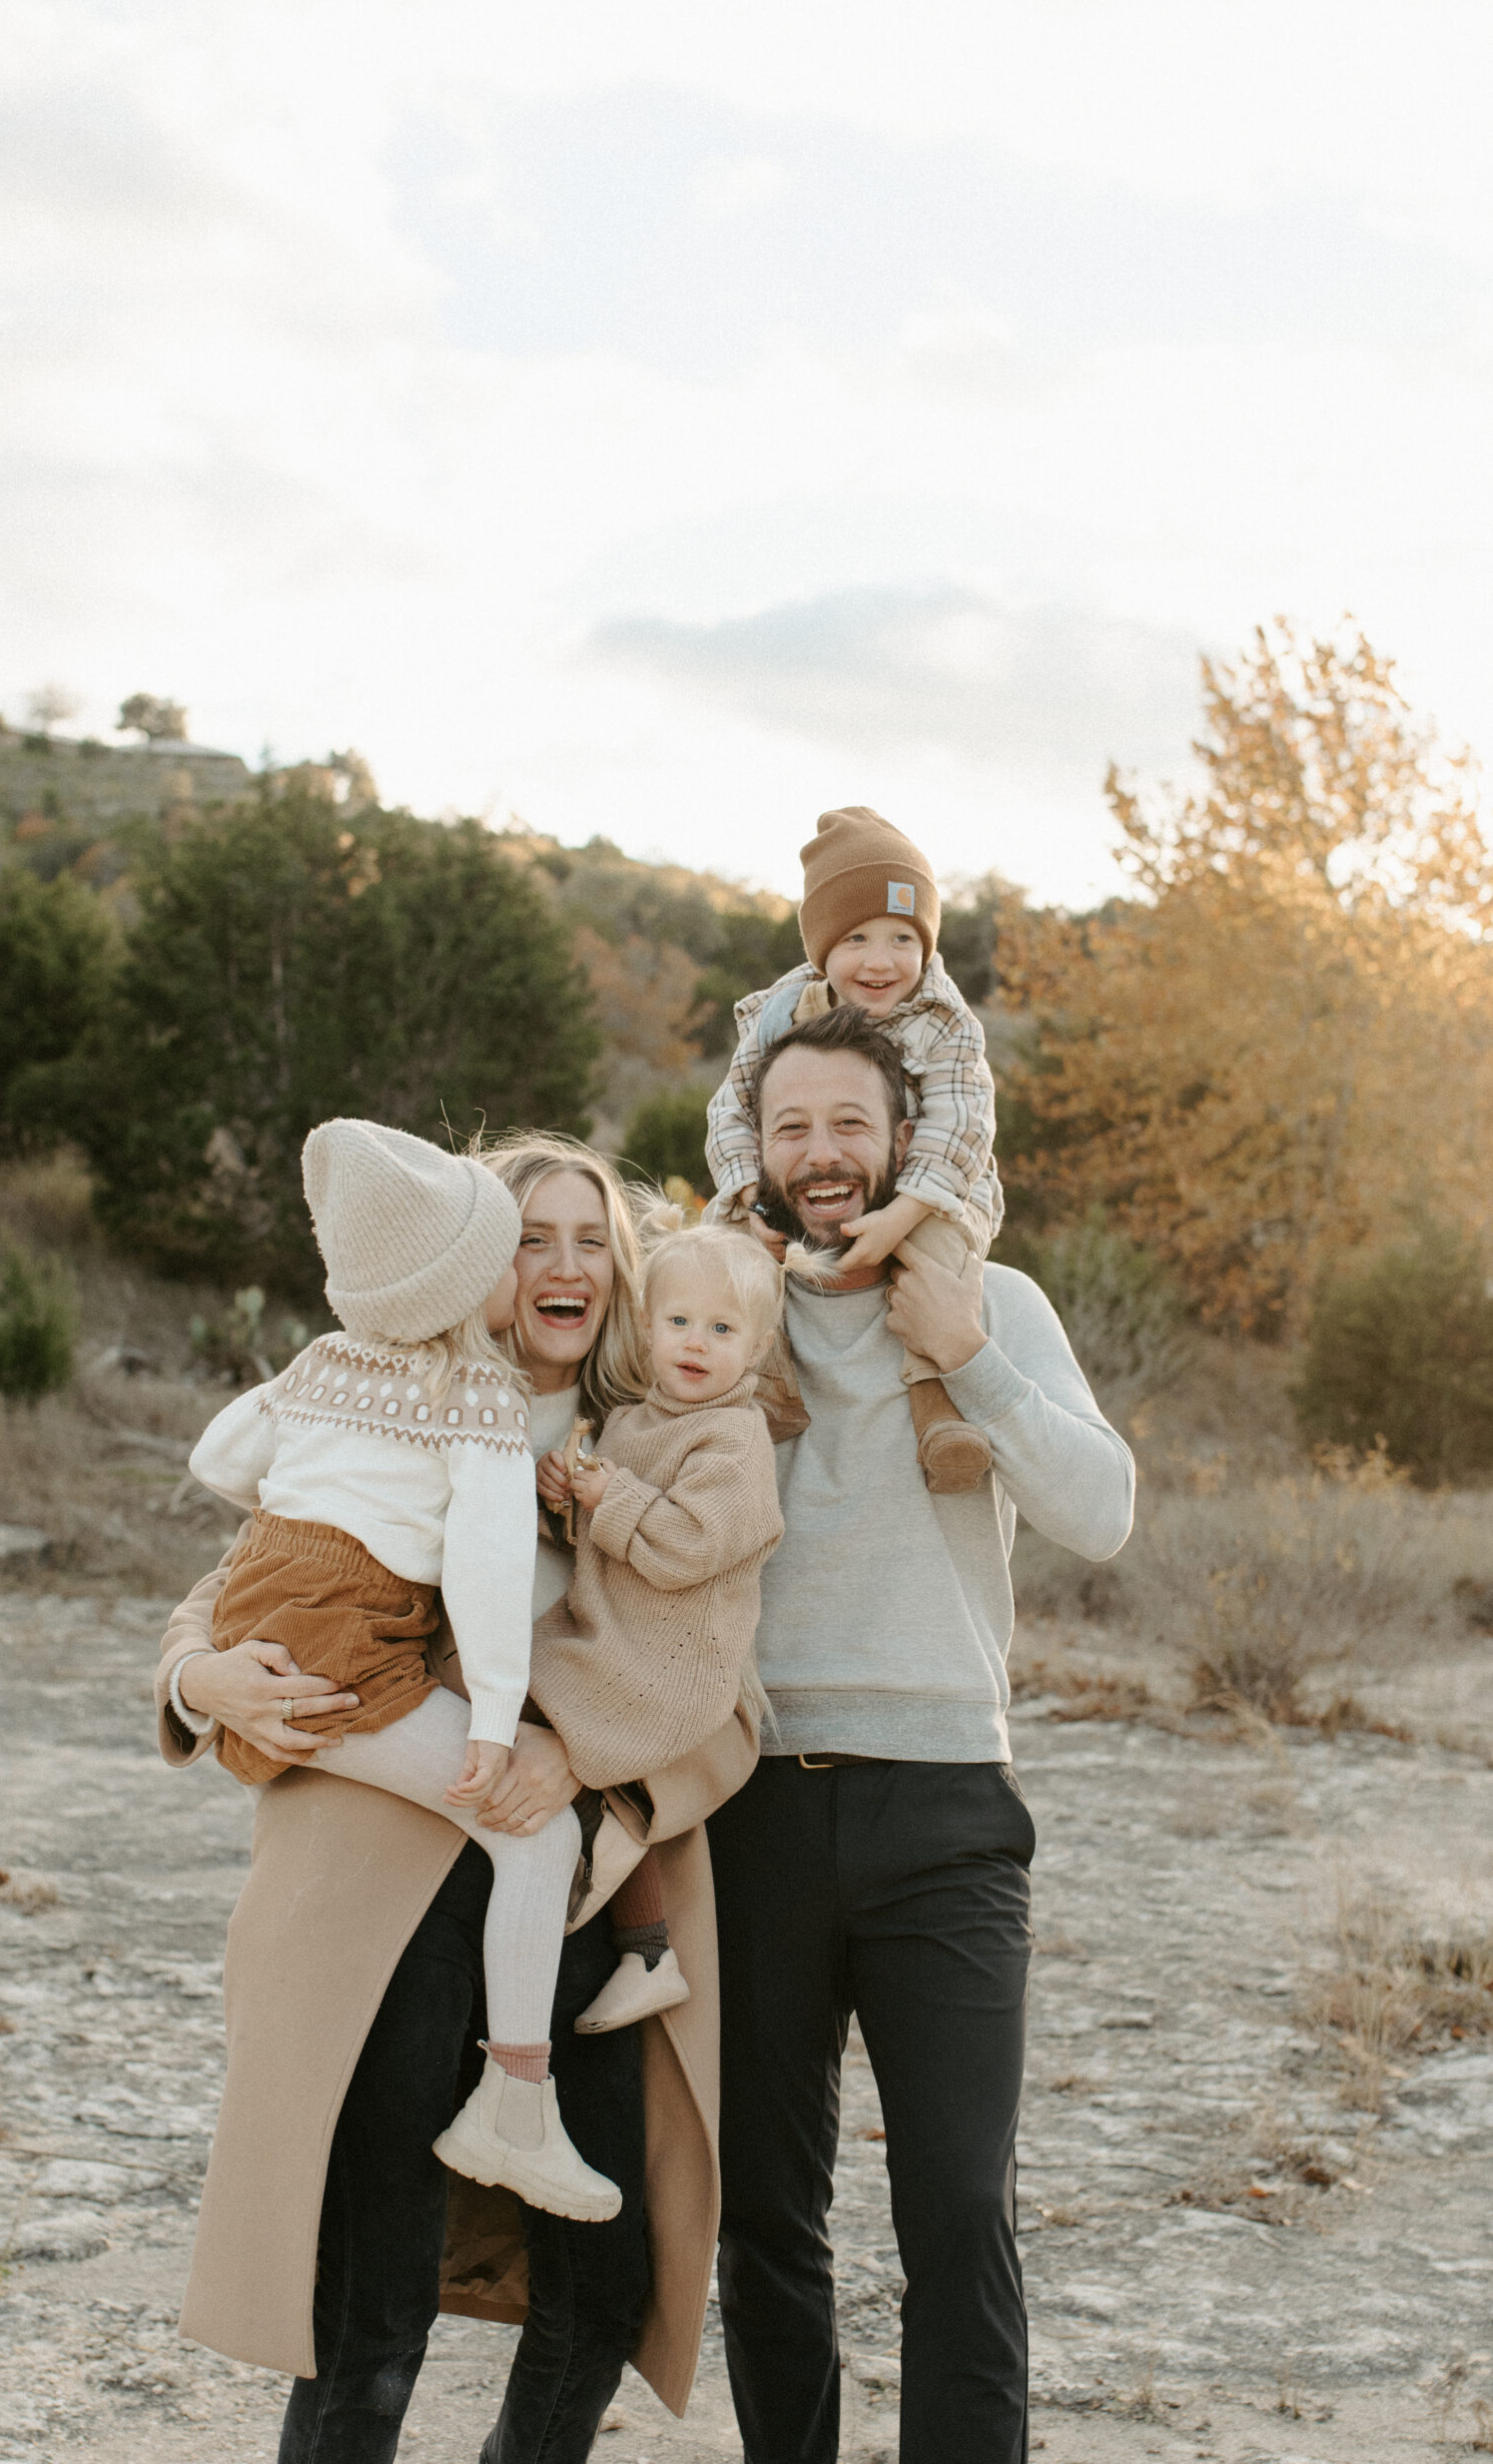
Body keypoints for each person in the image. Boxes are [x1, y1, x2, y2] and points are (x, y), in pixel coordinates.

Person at [157, 1134, 757, 2464]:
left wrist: (583, 1752)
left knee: (599, 2276)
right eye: (527, 1238)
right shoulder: (393, 1397)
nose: (561, 1265)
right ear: (478, 1267)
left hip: (582, 1902)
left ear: (623, 1265)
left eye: (589, 1238)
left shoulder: (653, 1444)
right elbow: (249, 1579)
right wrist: (200, 1678)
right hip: (390, 1901)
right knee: (372, 2296)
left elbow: (728, 1693)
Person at [707, 1006, 1134, 2464]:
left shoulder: (988, 1300)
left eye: (845, 1126)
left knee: (956, 2205)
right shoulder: (706, 1302)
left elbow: (1101, 1511)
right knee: (764, 2209)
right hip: (747, 1808)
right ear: (750, 1150)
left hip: (946, 1808)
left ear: (902, 1137)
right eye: (789, 1130)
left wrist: (972, 1358)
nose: (819, 1157)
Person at [184, 1117, 617, 2219]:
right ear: (467, 1282)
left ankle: (511, 2109)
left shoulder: (323, 1363)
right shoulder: (477, 1398)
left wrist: (306, 1516)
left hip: (267, 1597)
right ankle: (515, 2106)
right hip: (351, 1652)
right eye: (510, 1252)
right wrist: (495, 1722)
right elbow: (485, 1563)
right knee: (538, 1834)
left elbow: (219, 1457)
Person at [530, 1216, 786, 2035]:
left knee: (572, 1747)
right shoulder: (635, 1421)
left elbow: (686, 1548)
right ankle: (643, 1951)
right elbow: (602, 1542)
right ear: (645, 1330)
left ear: (755, 1351)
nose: (696, 1343)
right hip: (613, 1632)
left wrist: (612, 1498)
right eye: (678, 1323)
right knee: (514, 1686)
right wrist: (566, 1499)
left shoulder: (735, 1439)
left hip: (672, 1660)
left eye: (721, 1330)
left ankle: (627, 1926)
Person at [704, 804, 1002, 1492]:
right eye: (857, 938)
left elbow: (961, 1121)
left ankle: (936, 1408)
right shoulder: (783, 1010)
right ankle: (761, 1374)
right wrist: (747, 1193)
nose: (880, 960)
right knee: (724, 1249)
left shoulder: (943, 1019)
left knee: (937, 1271)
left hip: (933, 1183)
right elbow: (731, 1104)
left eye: (903, 937)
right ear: (821, 951)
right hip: (803, 1186)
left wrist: (901, 1217)